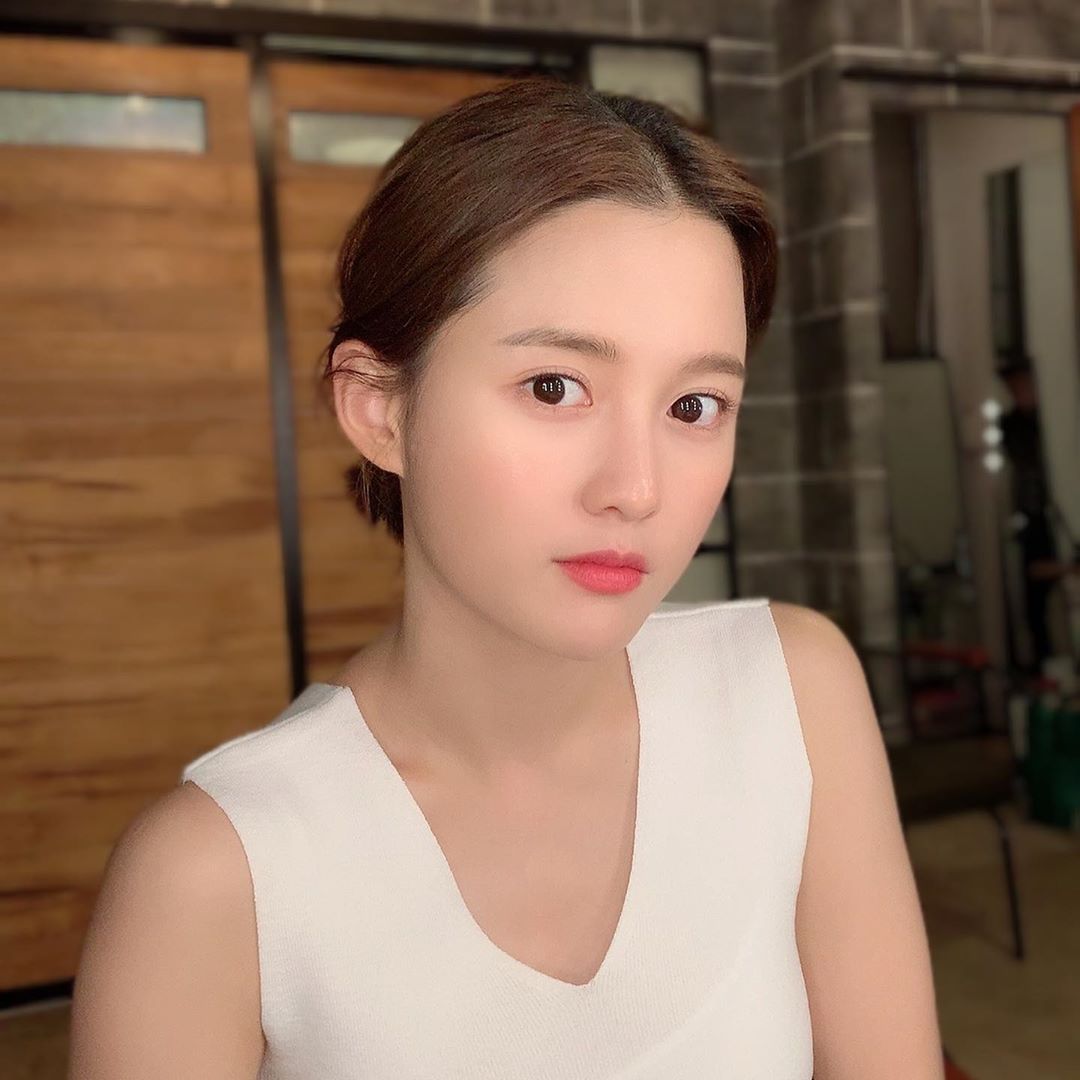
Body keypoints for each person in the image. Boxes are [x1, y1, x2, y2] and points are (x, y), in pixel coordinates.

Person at [68, 76, 944, 1078]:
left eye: (694, 406)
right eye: (554, 387)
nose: (636, 489)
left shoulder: (790, 695)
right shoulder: (219, 872)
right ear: (379, 407)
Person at [997, 359, 1075, 672]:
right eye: (1014, 387)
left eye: (1024, 385)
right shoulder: (1012, 426)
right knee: (1036, 602)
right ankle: (1045, 666)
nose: (1019, 392)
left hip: (1058, 509)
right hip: (1034, 514)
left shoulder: (1057, 420)